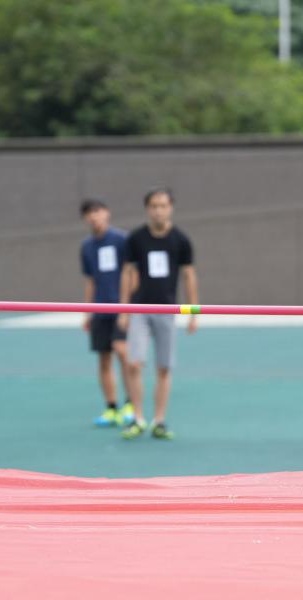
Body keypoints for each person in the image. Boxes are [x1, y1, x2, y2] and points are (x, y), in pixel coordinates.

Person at [118, 188, 198, 440]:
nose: (158, 210)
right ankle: (138, 418)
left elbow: (188, 275)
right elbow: (128, 273)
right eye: (154, 206)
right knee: (133, 363)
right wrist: (123, 308)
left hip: (167, 310)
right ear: (147, 208)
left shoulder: (181, 240)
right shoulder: (136, 238)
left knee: (164, 368)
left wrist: (194, 311)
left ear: (171, 207)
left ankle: (159, 421)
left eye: (163, 205)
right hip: (140, 309)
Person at [79, 198, 134, 427]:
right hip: (99, 309)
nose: (94, 217)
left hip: (120, 308)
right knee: (104, 359)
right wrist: (87, 311)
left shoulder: (121, 240)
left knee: (123, 352)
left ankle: (130, 404)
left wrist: (126, 308)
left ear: (107, 213)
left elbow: (130, 274)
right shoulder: (87, 247)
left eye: (98, 211)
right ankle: (111, 407)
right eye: (89, 213)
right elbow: (90, 281)